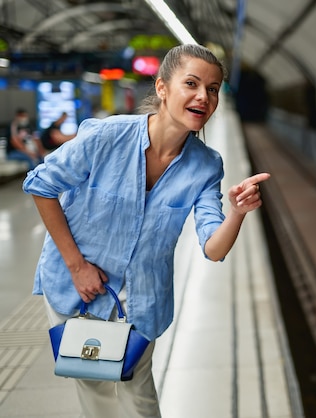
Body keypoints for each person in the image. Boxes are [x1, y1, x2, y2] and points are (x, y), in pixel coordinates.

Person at [22, 44, 270, 418]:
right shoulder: (106, 137)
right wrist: (76, 265)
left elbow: (214, 249)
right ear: (162, 88)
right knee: (96, 393)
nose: (204, 96)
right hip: (78, 285)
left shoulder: (206, 166)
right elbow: (41, 185)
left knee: (138, 395)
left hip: (141, 295)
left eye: (214, 88)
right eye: (191, 83)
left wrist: (235, 212)